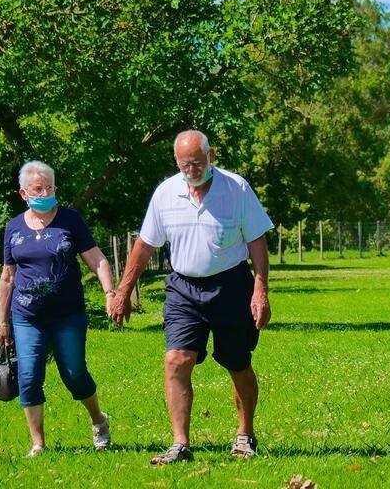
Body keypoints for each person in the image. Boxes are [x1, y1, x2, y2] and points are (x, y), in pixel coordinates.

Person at [110, 131, 273, 465]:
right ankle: (180, 444)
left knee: (237, 362)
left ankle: (245, 435)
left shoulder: (236, 188)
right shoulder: (166, 193)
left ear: (211, 155)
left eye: (198, 162)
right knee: (176, 360)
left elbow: (256, 241)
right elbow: (144, 245)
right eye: (186, 164)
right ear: (176, 162)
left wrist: (261, 289)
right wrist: (123, 291)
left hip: (231, 286)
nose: (193, 169)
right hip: (183, 288)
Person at [0, 161, 114, 457]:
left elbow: (97, 259)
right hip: (26, 316)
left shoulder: (70, 220)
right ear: (24, 193)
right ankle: (38, 443)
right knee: (29, 375)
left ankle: (98, 420)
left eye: (50, 187)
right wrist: (3, 323)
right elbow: (8, 276)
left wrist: (109, 292)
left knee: (74, 374)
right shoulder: (13, 228)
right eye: (39, 188)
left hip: (67, 314)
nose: (46, 192)